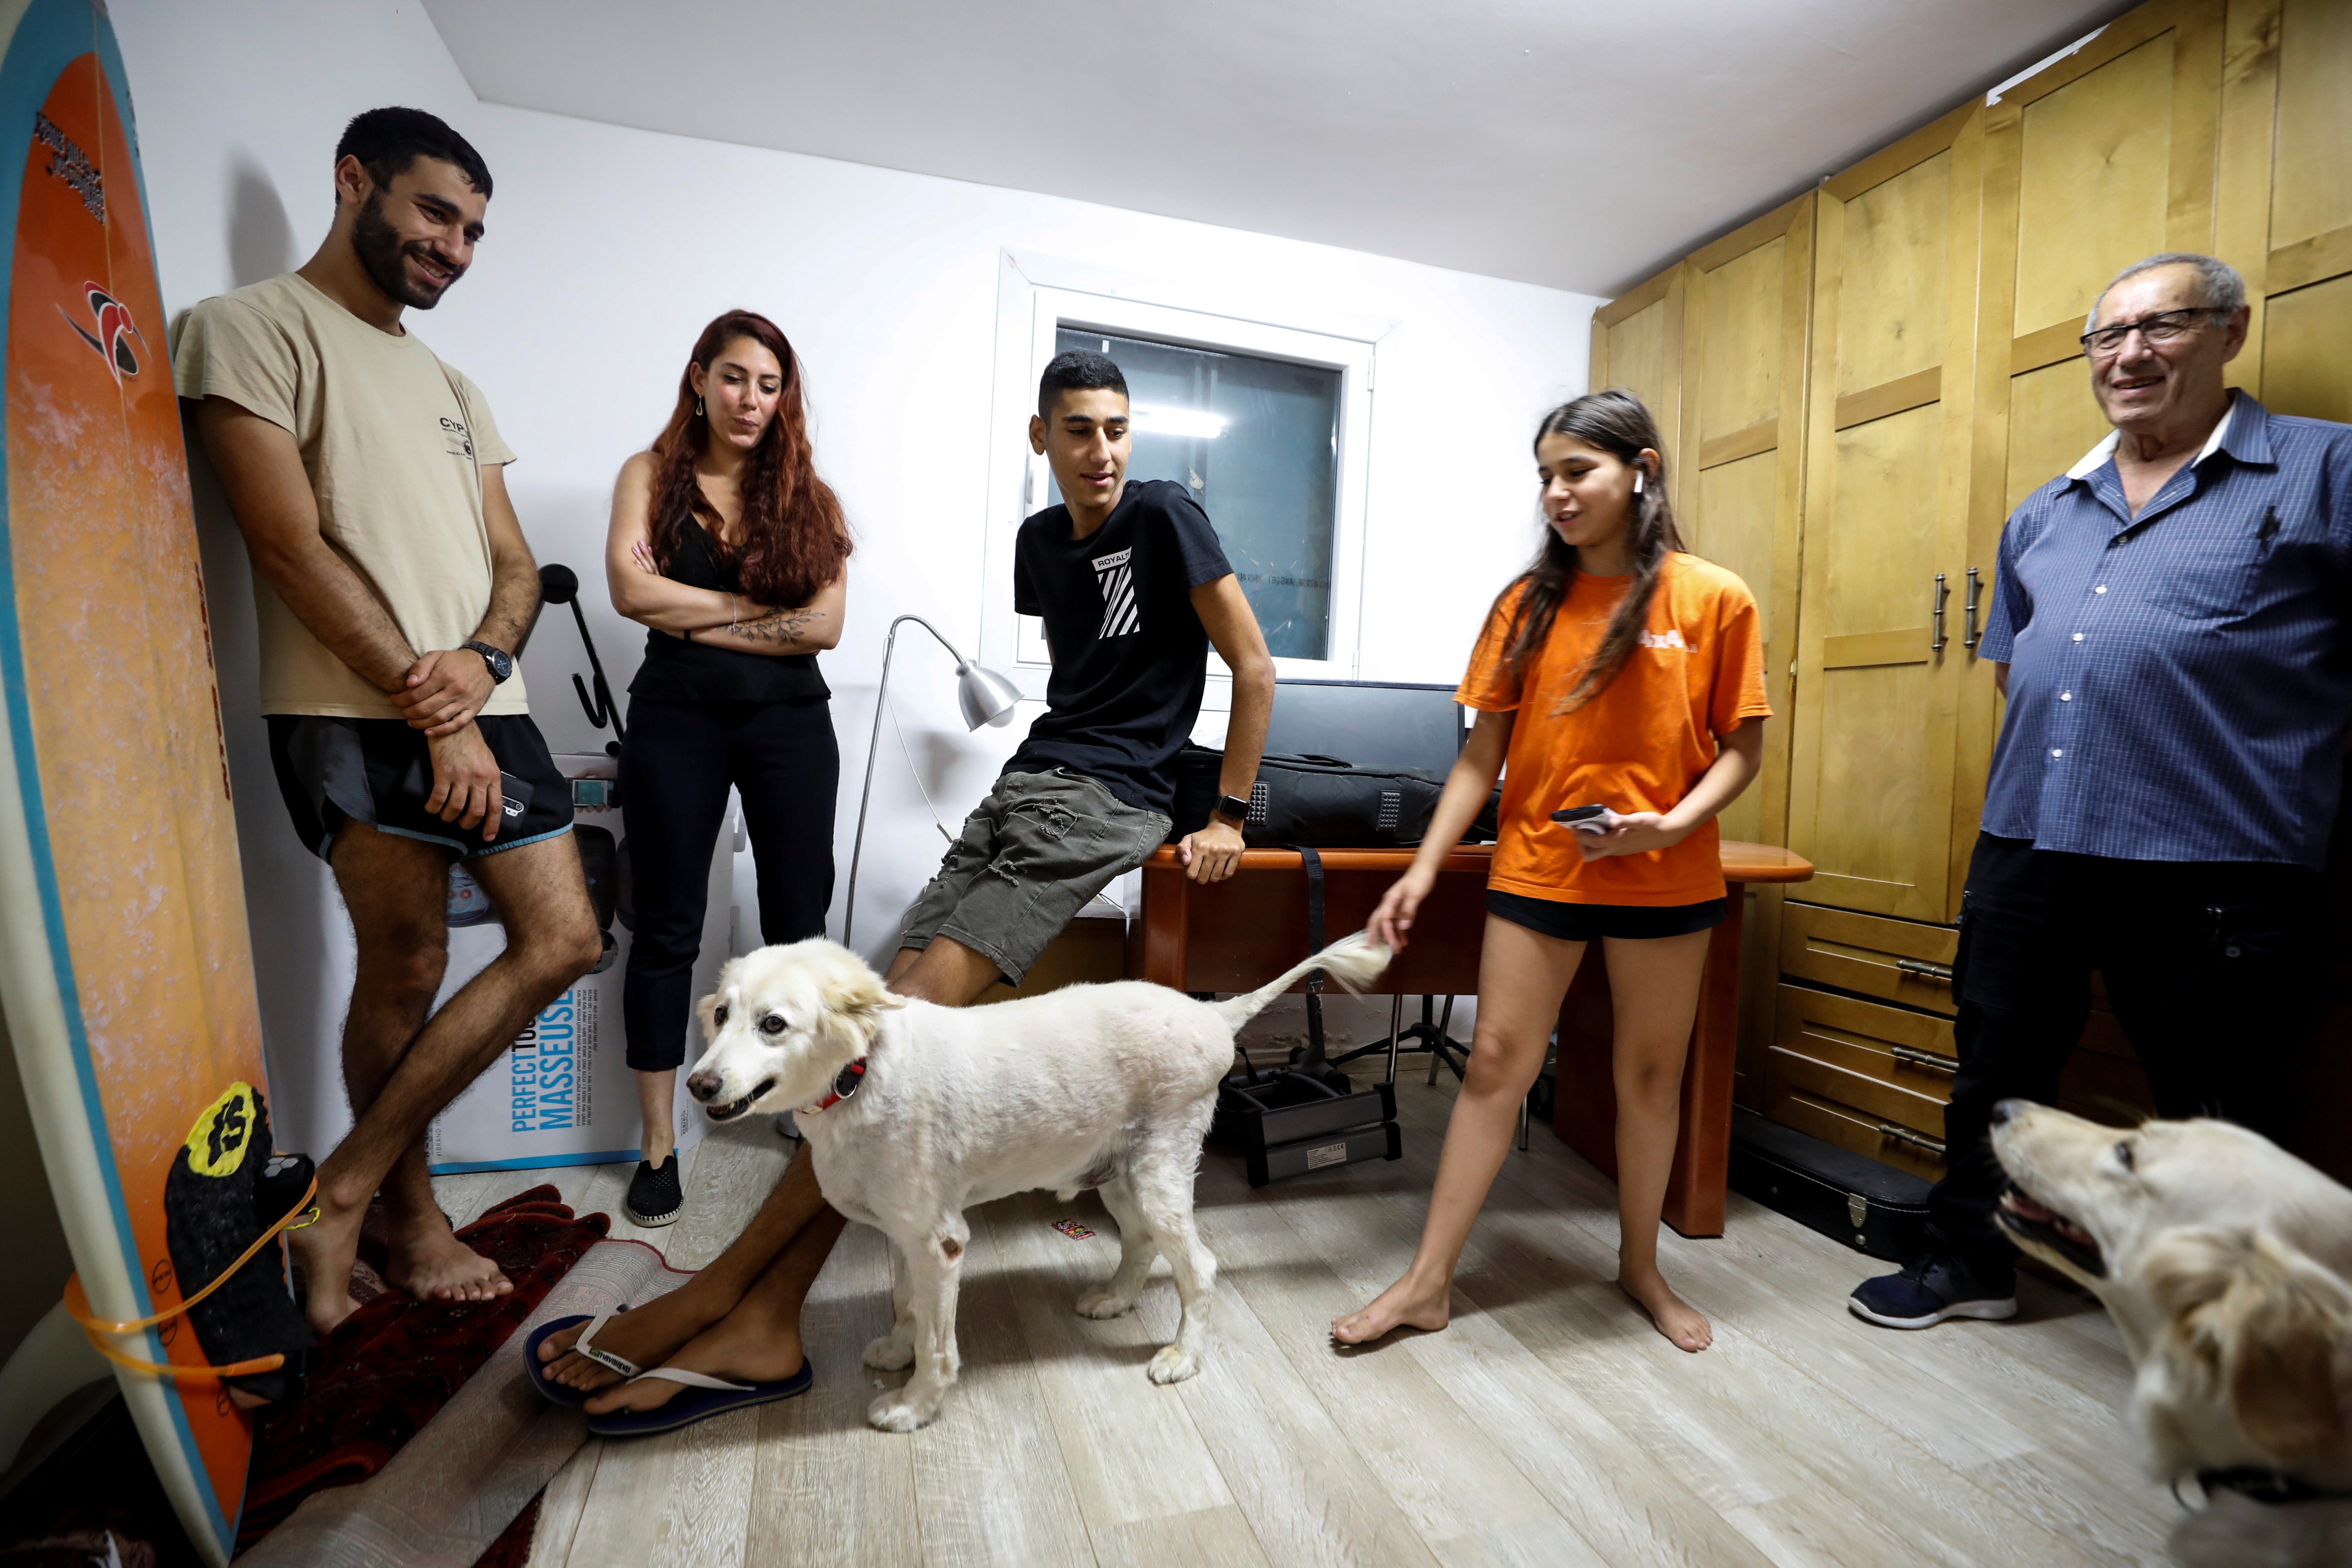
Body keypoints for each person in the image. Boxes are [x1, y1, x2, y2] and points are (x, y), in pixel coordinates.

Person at [532, 348, 1276, 1428]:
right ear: (1042, 438)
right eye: (1078, 429)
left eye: (1117, 428)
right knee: (874, 1015)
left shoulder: (1164, 513)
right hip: (1032, 778)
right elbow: (1086, 685)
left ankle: (743, 1301)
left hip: (1107, 798)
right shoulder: (1038, 543)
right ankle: (748, 1300)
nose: (1102, 450)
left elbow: (1250, 668)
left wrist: (1227, 814)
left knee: (901, 1024)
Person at [1850, 253, 2352, 1330]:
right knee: (1994, 1070)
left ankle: (2238, 1334)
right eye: (2105, 336)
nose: (2127, 354)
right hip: (2030, 839)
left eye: (2161, 325)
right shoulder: (2045, 511)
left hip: (2217, 858)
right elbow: (2012, 670)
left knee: (2220, 1112)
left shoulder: (2324, 470)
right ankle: (1969, 1260)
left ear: (2228, 331)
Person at [175, 107, 602, 1336]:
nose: (454, 247)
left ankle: (343, 1186)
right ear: (353, 180)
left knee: (566, 938)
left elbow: (516, 564)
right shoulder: (247, 329)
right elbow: (286, 544)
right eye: (433, 213)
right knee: (406, 962)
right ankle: (412, 1222)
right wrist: (435, 712)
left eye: (471, 230)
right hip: (342, 708)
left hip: (489, 704)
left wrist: (479, 668)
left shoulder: (453, 383)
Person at [1332, 389, 1770, 1354]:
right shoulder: (1526, 606)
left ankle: (1640, 1267)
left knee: (1649, 1079)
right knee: (1495, 1063)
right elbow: (1477, 758)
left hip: (1667, 877)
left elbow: (1741, 749)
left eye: (1576, 471)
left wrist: (1671, 824)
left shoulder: (1712, 597)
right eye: (1545, 476)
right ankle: (1427, 1281)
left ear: (1640, 470)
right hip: (1539, 871)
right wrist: (1421, 869)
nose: (1556, 494)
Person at [603, 311, 851, 1229]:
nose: (751, 399)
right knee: (668, 925)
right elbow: (630, 593)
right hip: (676, 719)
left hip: (791, 725)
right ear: (701, 377)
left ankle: (806, 1115)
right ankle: (659, 1145)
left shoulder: (808, 498)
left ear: (785, 397)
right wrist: (755, 613)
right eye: (736, 378)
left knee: (799, 927)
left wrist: (690, 611)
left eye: (770, 383)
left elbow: (822, 629)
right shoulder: (650, 477)